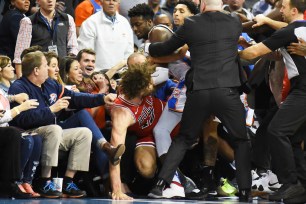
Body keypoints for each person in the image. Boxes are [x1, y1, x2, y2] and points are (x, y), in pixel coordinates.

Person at [147, 0, 252, 202]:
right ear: (221, 4)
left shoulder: (191, 24)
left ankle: (160, 185)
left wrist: (150, 48)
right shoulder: (233, 21)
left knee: (183, 139)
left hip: (199, 91)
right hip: (227, 91)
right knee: (241, 141)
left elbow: (165, 48)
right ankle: (246, 191)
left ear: (202, 4)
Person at [8, 51, 124, 198]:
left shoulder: (50, 83)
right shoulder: (19, 87)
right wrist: (50, 110)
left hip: (52, 132)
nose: (49, 69)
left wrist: (102, 98)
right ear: (36, 70)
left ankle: (68, 181)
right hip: (31, 132)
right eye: (46, 65)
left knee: (84, 133)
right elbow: (20, 120)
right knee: (54, 129)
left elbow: (75, 98)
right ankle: (45, 180)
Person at [239, 0, 306, 202]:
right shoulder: (299, 30)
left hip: (303, 90)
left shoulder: (291, 30)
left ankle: (290, 183)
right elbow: (278, 55)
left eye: (283, 7)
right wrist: (248, 46)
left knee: (277, 130)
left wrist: (224, 54)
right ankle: (300, 186)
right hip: (300, 89)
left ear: (294, 10)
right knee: (293, 138)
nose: (280, 11)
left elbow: (252, 55)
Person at [13, 0, 78, 78]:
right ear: (38, 1)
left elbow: (73, 48)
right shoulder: (28, 22)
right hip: (38, 75)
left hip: (61, 73)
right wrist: (20, 78)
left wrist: (69, 70)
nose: (50, 1)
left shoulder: (67, 19)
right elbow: (20, 55)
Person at [78, 0, 134, 71]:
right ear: (101, 1)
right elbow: (85, 54)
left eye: (114, 0)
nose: (111, 3)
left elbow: (129, 52)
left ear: (119, 1)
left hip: (121, 76)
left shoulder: (125, 23)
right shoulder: (90, 23)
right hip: (97, 75)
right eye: (108, 0)